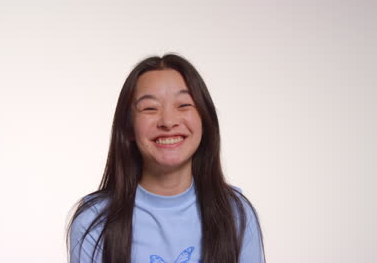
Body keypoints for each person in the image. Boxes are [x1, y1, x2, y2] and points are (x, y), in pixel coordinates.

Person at [67, 54, 265, 263]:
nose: (168, 122)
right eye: (150, 108)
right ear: (128, 128)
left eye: (183, 105)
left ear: (205, 121)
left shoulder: (236, 213)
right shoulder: (95, 219)